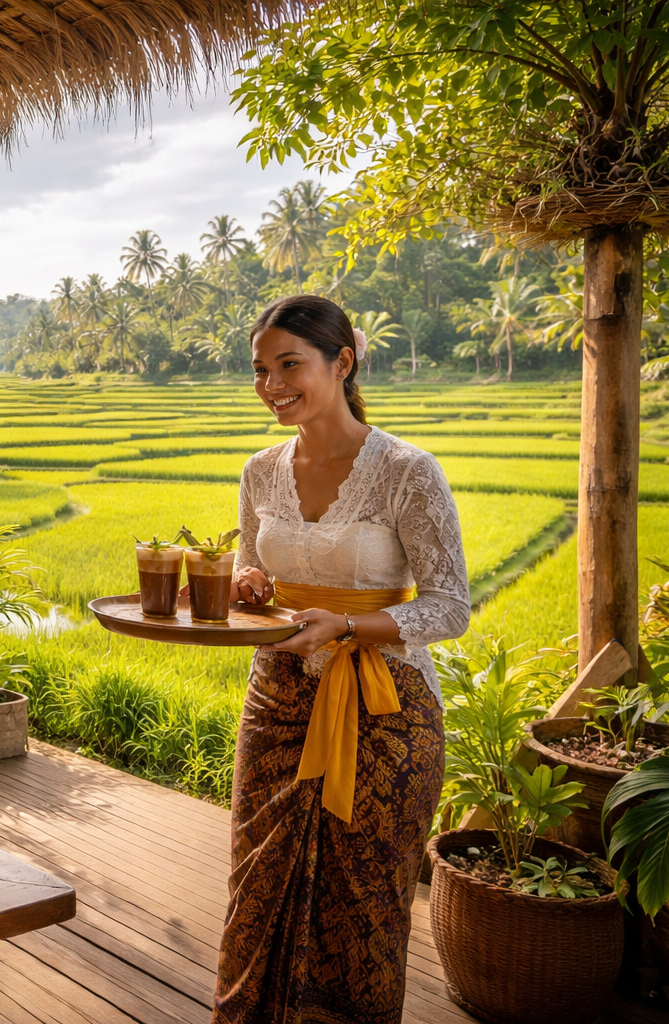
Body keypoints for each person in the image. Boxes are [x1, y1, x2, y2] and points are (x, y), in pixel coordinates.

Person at [211, 294, 468, 1024]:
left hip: (387, 707)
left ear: (343, 361)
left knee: (365, 905)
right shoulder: (260, 471)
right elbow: (247, 571)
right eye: (260, 369)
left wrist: (350, 626)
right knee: (256, 884)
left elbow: (449, 606)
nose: (271, 385)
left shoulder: (407, 471)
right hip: (278, 700)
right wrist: (248, 585)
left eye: (289, 365)